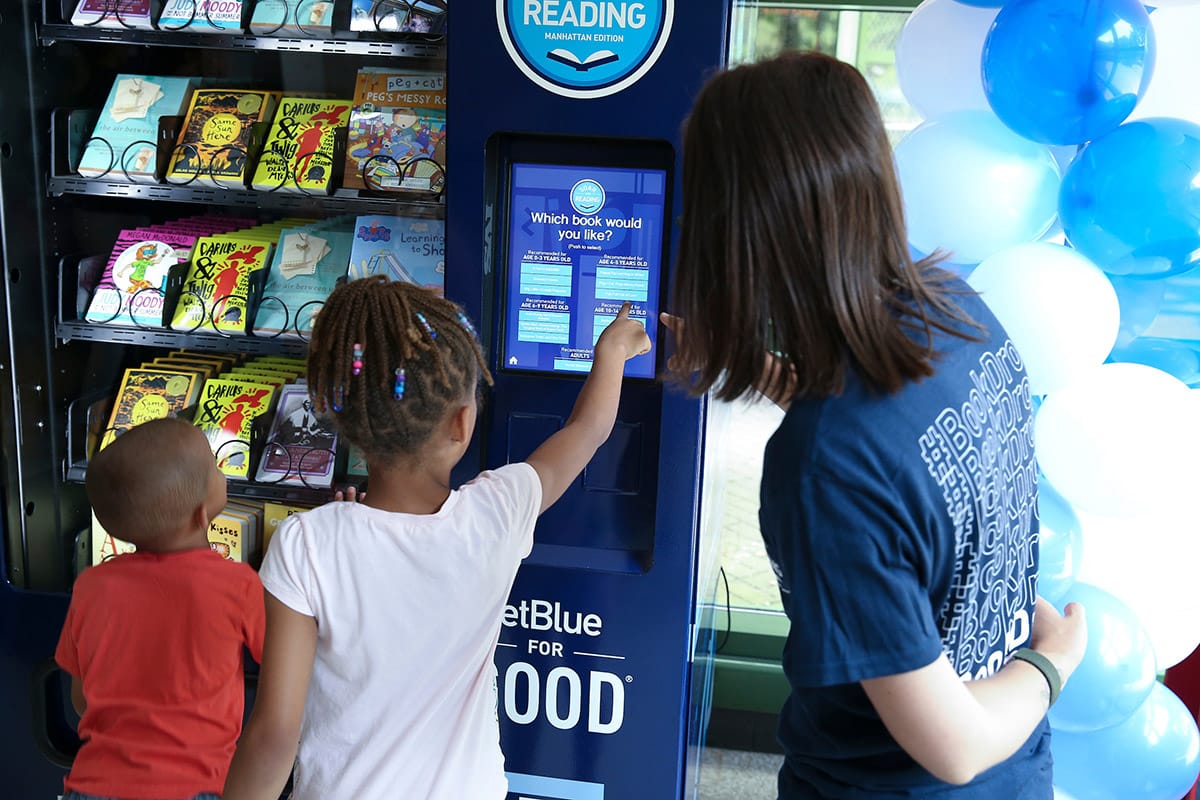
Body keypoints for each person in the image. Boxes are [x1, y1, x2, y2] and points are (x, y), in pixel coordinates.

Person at [663, 52, 1089, 798]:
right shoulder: (956, 311)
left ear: (735, 228)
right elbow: (901, 449)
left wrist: (1054, 660)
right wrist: (759, 369)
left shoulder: (824, 464)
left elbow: (953, 747)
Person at [221, 276, 650, 800]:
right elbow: (587, 430)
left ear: (343, 421)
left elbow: (274, 737)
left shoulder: (306, 543)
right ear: (462, 422)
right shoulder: (501, 509)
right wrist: (611, 353)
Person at [55, 416, 265, 800]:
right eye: (214, 466)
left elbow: (81, 699)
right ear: (202, 514)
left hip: (93, 786)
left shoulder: (90, 587)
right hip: (195, 787)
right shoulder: (239, 586)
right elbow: (290, 661)